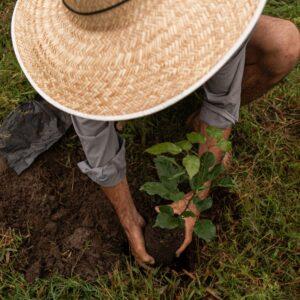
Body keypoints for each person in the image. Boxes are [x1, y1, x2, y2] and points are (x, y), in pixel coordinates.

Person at [1, 0, 299, 268]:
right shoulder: (77, 58)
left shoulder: (216, 16)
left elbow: (221, 106)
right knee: (98, 106)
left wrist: (196, 198)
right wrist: (129, 219)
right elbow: (98, 148)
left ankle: (195, 119)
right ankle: (128, 107)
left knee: (285, 44)